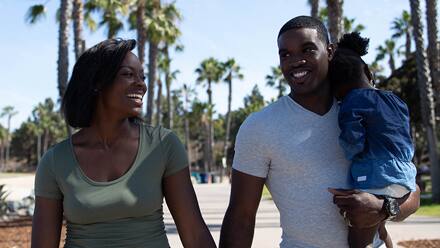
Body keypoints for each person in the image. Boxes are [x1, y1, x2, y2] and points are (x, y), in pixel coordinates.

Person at [219, 16, 420, 248]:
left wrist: (384, 208)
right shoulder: (259, 126)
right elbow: (241, 218)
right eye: (285, 54)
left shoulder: (364, 114)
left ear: (330, 51)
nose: (295, 61)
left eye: (307, 49)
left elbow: (412, 191)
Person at [31, 39, 216, 248]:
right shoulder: (56, 161)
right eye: (128, 74)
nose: (141, 84)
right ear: (97, 83)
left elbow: (194, 234)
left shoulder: (162, 145)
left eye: (142, 76)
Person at [327, 32, 417, 247]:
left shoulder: (352, 102)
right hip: (404, 176)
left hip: (374, 175)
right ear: (367, 71)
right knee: (378, 224)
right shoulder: (394, 100)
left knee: (358, 236)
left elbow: (353, 140)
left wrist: (351, 154)